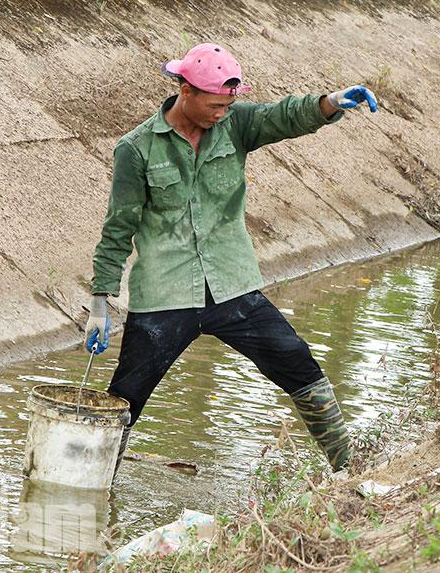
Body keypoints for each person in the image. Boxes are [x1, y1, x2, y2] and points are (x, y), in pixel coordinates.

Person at [83, 42, 378, 475]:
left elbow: (283, 116)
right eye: (214, 105)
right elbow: (118, 226)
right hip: (166, 295)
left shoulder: (237, 125)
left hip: (231, 288)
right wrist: (99, 304)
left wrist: (330, 103)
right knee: (126, 400)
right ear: (185, 90)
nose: (221, 113)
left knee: (297, 362)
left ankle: (350, 469)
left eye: (228, 105)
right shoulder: (138, 149)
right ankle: (90, 480)